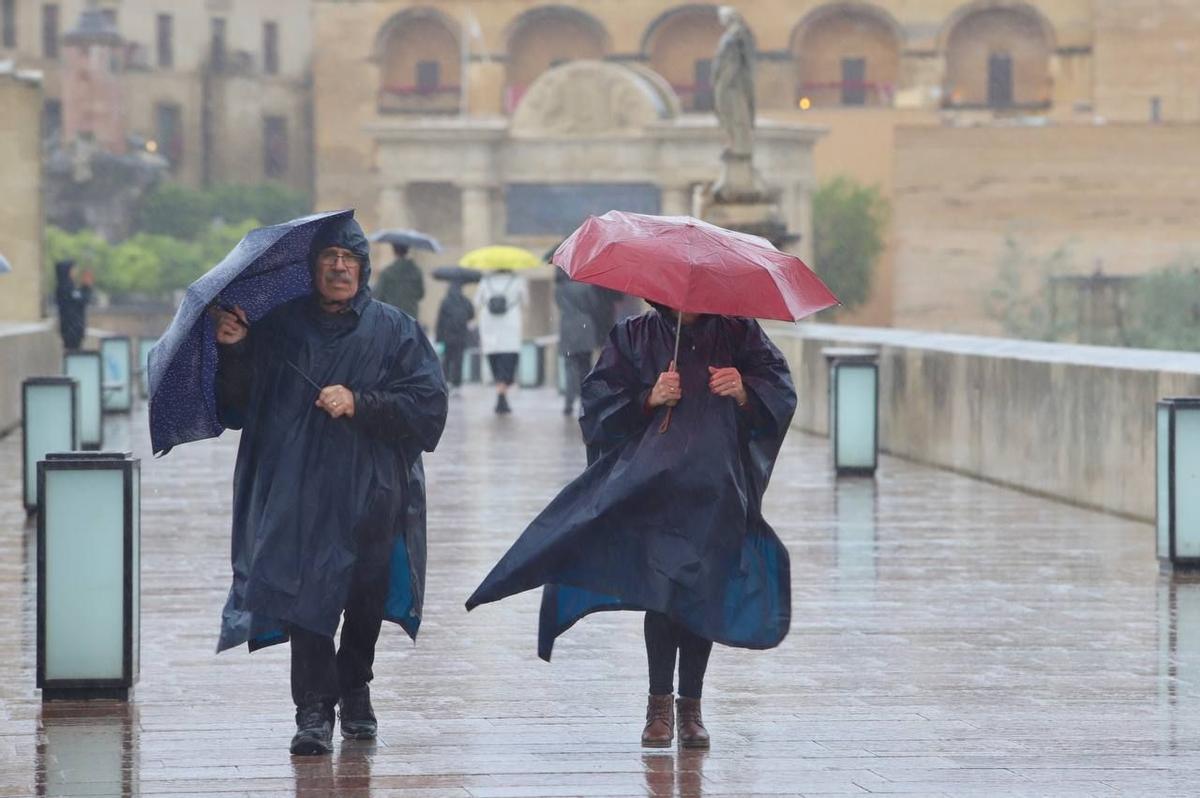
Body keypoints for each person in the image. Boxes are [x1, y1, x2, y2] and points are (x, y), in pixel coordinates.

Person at [466, 303, 796, 749]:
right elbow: (598, 404)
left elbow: (779, 388)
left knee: (702, 593)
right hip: (655, 489)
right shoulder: (633, 334)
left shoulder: (740, 332)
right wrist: (649, 397)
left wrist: (744, 391)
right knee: (661, 595)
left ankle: (691, 708)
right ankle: (658, 706)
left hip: (717, 487)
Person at [211, 216, 448, 756]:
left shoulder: (395, 329)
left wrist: (360, 402)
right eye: (329, 258)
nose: (340, 268)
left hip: (373, 488)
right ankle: (313, 708)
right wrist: (237, 350)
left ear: (363, 270)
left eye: (350, 260)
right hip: (299, 484)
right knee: (306, 595)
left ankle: (356, 687)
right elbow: (241, 406)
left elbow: (428, 407)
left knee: (364, 596)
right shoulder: (279, 330)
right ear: (312, 267)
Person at [554, 268, 616, 416]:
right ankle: (585, 401)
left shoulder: (559, 289)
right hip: (585, 327)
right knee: (585, 367)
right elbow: (593, 305)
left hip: (567, 328)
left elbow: (559, 305)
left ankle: (568, 403)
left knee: (569, 366)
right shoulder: (586, 286)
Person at [474, 268, 528, 414]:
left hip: (490, 328)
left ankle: (501, 397)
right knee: (508, 364)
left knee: (495, 363)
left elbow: (477, 302)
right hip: (510, 328)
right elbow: (525, 301)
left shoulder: (485, 281)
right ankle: (501, 398)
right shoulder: (518, 281)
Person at [435, 280, 474, 392]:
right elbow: (471, 314)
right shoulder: (465, 301)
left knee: (446, 360)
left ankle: (445, 381)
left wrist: (438, 337)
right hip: (461, 336)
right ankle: (457, 383)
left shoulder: (445, 302)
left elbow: (440, 321)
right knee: (459, 360)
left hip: (447, 336)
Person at [374, 244, 425, 321]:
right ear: (407, 250)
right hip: (411, 317)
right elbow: (421, 294)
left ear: (394, 251)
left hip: (391, 318)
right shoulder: (416, 271)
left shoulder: (387, 272)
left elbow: (378, 296)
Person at [55, 260, 93, 351]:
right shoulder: (64, 288)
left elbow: (81, 297)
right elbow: (81, 299)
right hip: (70, 331)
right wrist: (86, 287)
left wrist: (85, 287)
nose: (74, 273)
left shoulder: (70, 287)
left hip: (74, 331)